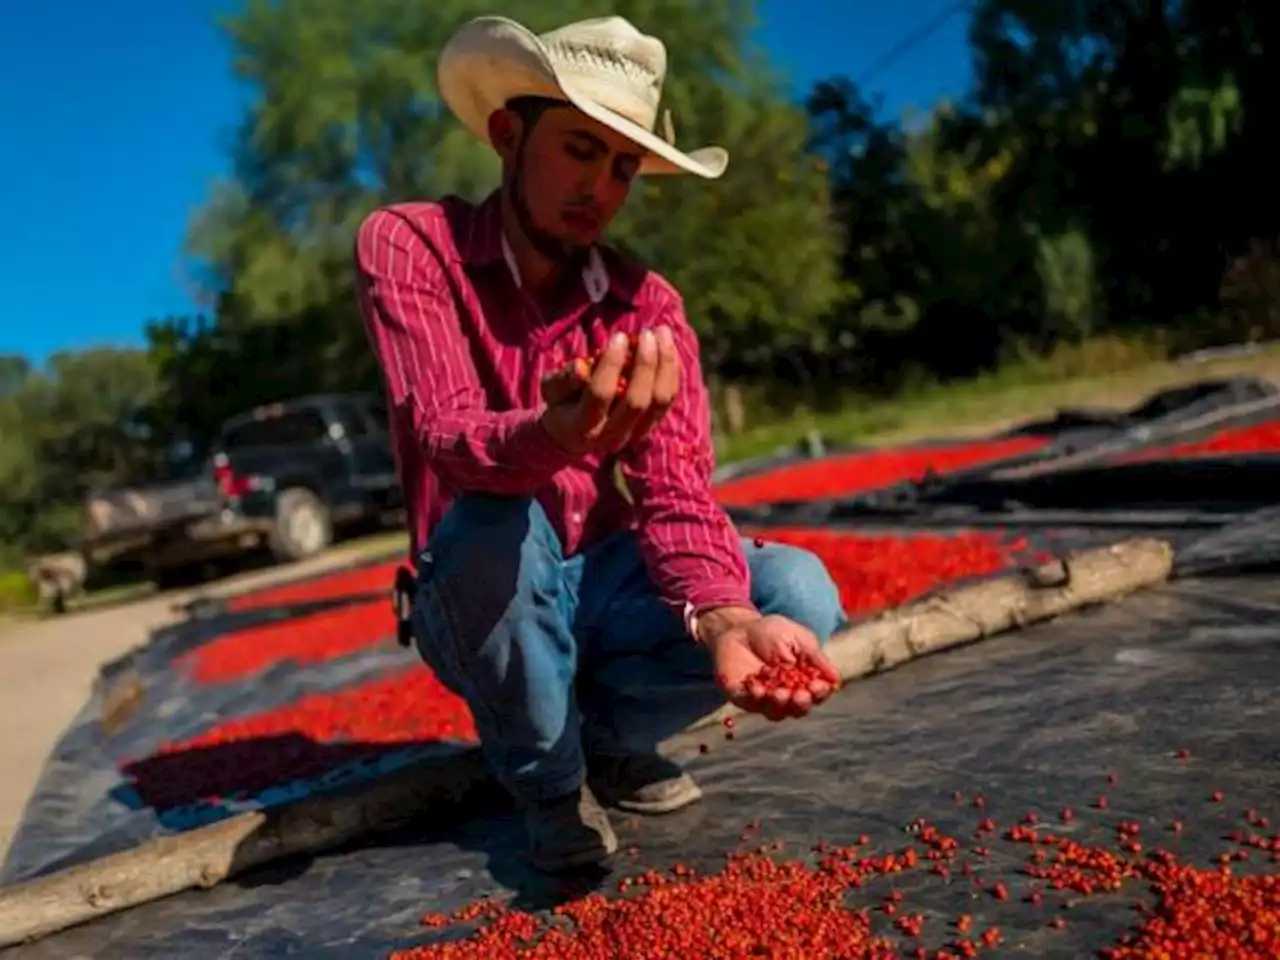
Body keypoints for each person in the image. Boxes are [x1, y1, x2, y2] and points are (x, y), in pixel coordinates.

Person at [354, 14, 847, 873]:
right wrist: (553, 435)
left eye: (624, 167)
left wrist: (726, 619)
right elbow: (448, 436)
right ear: (509, 135)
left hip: (607, 583)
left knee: (796, 592)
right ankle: (549, 783)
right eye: (581, 150)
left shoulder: (647, 306)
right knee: (493, 524)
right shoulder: (411, 245)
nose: (604, 188)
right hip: (478, 587)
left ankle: (606, 746)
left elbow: (677, 494)